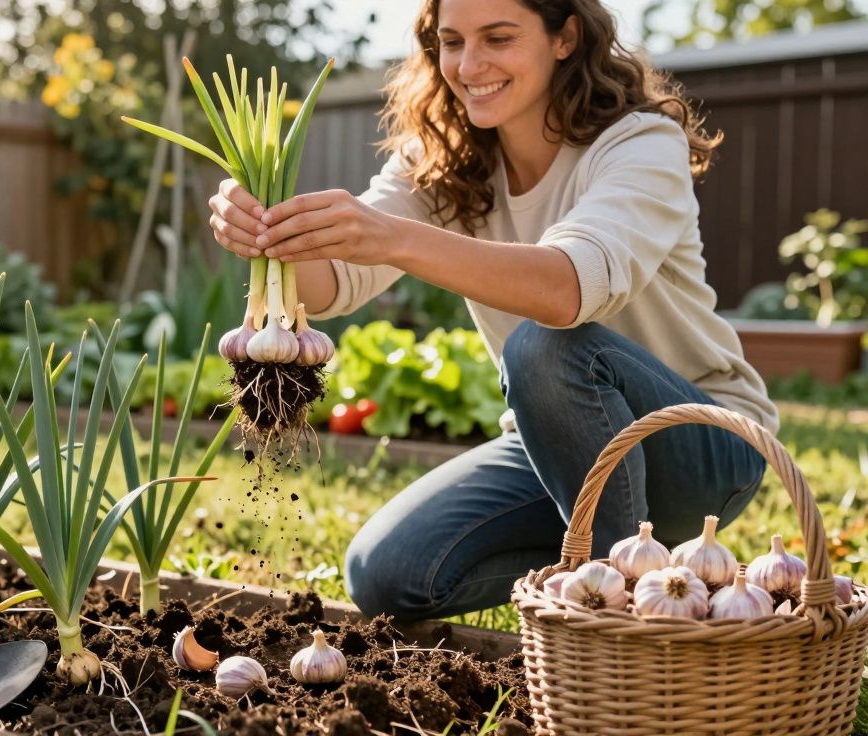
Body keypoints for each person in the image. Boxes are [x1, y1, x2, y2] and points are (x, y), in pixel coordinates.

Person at [204, 0, 777, 620]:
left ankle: (615, 612)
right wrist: (264, 231)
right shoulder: (445, 161)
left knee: (545, 347)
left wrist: (393, 237)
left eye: (498, 38)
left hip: (700, 441)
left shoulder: (639, 144)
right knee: (389, 573)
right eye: (451, 42)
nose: (469, 64)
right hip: (557, 446)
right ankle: (650, 574)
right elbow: (331, 284)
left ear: (565, 38)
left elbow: (567, 291)